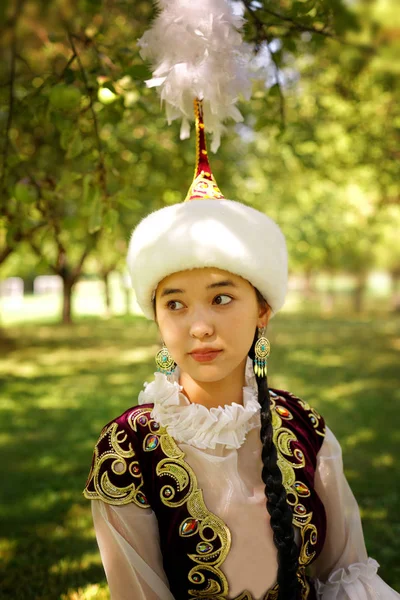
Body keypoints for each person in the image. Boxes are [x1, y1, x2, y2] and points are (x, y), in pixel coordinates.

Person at [83, 4, 400, 598]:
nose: (199, 326)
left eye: (222, 298)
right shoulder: (128, 450)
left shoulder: (304, 429)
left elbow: (344, 574)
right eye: (174, 304)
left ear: (262, 311)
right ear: (155, 317)